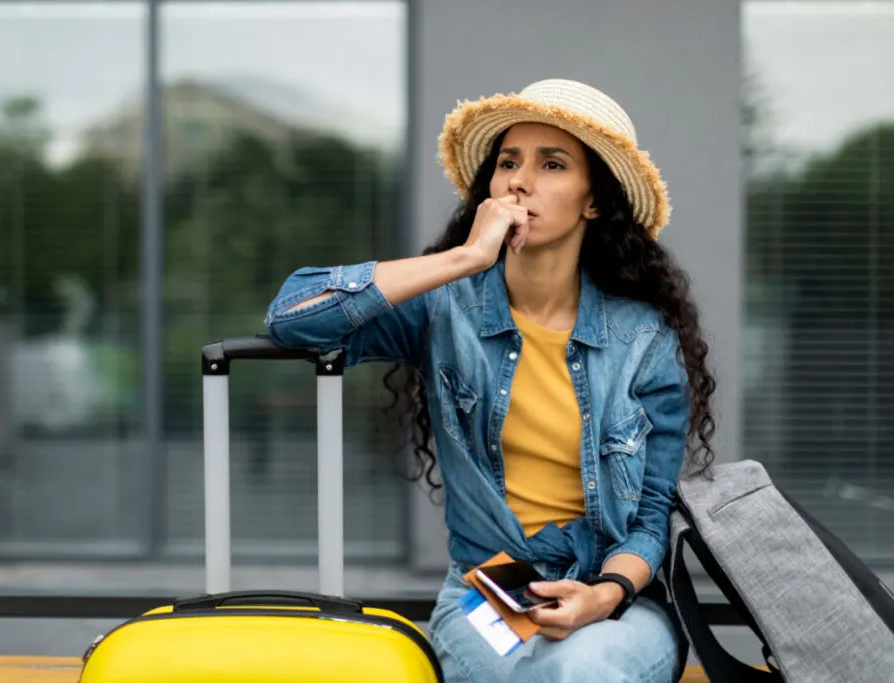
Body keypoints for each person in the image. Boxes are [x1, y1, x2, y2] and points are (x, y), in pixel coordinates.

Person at [263, 78, 716, 683]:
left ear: (594, 201)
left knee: (584, 668)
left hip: (614, 600)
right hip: (488, 594)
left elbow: (651, 514)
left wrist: (602, 596)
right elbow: (292, 317)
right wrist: (464, 260)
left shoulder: (643, 339)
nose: (518, 181)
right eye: (508, 162)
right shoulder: (446, 309)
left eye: (552, 164)